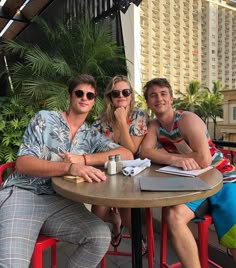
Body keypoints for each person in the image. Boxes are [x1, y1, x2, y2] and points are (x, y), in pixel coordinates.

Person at [0, 74, 133, 268]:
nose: (84, 98)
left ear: (93, 101)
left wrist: (84, 159)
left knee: (99, 236)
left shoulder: (89, 135)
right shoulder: (44, 118)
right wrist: (70, 167)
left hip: (61, 201)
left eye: (89, 95)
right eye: (79, 93)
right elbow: (23, 163)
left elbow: (127, 154)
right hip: (24, 194)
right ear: (70, 96)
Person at [140, 77, 236, 267]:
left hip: (223, 179)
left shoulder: (186, 119)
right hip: (192, 184)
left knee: (234, 229)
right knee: (174, 216)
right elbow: (146, 152)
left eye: (163, 93)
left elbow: (203, 160)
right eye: (153, 95)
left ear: (172, 98)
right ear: (148, 102)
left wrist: (165, 155)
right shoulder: (154, 126)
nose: (159, 98)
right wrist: (175, 159)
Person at [92, 75, 148, 247]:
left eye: (126, 92)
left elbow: (131, 150)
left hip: (132, 174)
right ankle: (114, 222)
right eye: (116, 93)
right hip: (108, 172)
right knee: (97, 212)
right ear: (110, 97)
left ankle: (138, 241)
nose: (121, 96)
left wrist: (123, 121)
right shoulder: (101, 122)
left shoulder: (138, 116)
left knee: (127, 212)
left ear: (131, 95)